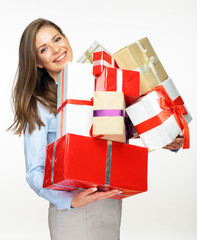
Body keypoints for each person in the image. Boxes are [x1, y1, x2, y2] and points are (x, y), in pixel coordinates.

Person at [9, 18, 184, 240]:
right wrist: (70, 201)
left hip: (109, 202)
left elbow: (131, 127)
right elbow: (34, 171)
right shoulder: (40, 104)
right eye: (44, 49)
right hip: (72, 210)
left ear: (66, 39)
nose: (55, 49)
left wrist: (169, 140)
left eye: (57, 39)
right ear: (38, 62)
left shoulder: (101, 81)